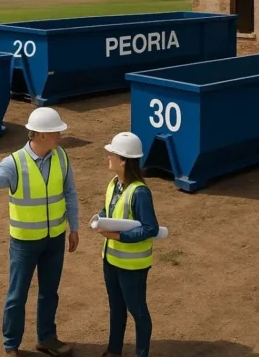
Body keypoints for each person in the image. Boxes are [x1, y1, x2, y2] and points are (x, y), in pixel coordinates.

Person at [0, 107, 79, 357]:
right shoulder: (15, 162)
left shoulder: (62, 157)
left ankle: (47, 339)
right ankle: (11, 346)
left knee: (49, 292)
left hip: (54, 239)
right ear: (40, 134)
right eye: (56, 132)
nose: (60, 136)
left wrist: (74, 227)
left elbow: (70, 193)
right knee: (16, 296)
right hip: (24, 244)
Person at [95, 132, 160, 357]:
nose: (108, 157)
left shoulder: (140, 192)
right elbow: (109, 210)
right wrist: (100, 219)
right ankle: (114, 351)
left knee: (137, 310)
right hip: (111, 259)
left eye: (111, 154)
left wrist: (119, 237)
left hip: (132, 266)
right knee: (116, 308)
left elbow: (150, 228)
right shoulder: (113, 184)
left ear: (124, 160)